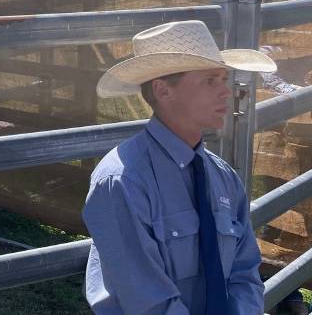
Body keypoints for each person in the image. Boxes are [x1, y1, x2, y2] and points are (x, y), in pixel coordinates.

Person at [84, 20, 273, 313]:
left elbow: (244, 271)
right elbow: (146, 300)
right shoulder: (122, 181)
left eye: (224, 79)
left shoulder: (223, 177)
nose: (226, 91)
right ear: (163, 90)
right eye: (210, 81)